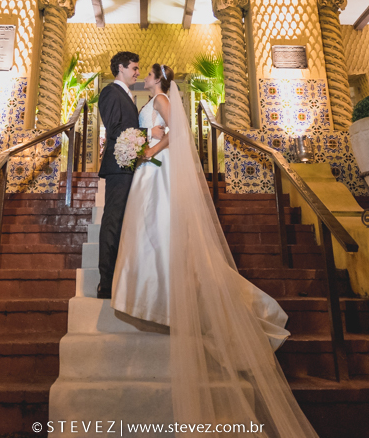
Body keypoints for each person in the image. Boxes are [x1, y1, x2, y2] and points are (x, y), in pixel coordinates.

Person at [113, 67, 321, 438]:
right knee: (150, 228)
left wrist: (152, 148)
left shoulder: (159, 98)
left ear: (159, 79)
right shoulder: (152, 100)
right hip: (150, 170)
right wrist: (144, 143)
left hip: (158, 168)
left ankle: (163, 294)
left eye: (149, 73)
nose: (143, 75)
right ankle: (151, 289)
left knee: (158, 225)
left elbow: (179, 134)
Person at [96, 51, 163, 300]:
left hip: (129, 165)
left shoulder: (127, 95)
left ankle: (121, 276)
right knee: (113, 221)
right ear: (121, 68)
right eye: (134, 68)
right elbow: (115, 129)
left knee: (123, 221)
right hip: (118, 166)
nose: (137, 72)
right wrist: (149, 132)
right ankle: (105, 283)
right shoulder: (110, 92)